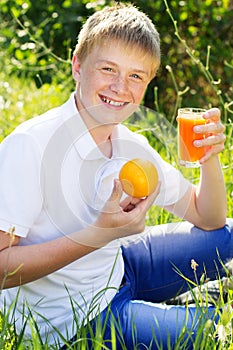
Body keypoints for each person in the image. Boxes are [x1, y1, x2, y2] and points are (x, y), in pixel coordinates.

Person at [0, 2, 232, 349]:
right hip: (76, 317)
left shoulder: (130, 144)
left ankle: (174, 301)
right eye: (108, 69)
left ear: (147, 84)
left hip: (120, 267)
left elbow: (209, 217)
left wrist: (209, 157)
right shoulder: (30, 145)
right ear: (77, 66)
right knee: (215, 331)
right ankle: (180, 305)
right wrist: (97, 235)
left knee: (229, 235)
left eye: (136, 76)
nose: (121, 87)